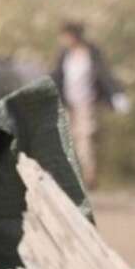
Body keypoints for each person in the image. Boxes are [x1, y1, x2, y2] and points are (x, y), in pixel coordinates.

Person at [50, 21, 129, 187]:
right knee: (66, 139)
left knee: (84, 139)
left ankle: (88, 176)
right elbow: (57, 77)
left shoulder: (91, 53)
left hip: (86, 104)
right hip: (67, 103)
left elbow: (104, 75)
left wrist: (116, 95)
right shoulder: (65, 55)